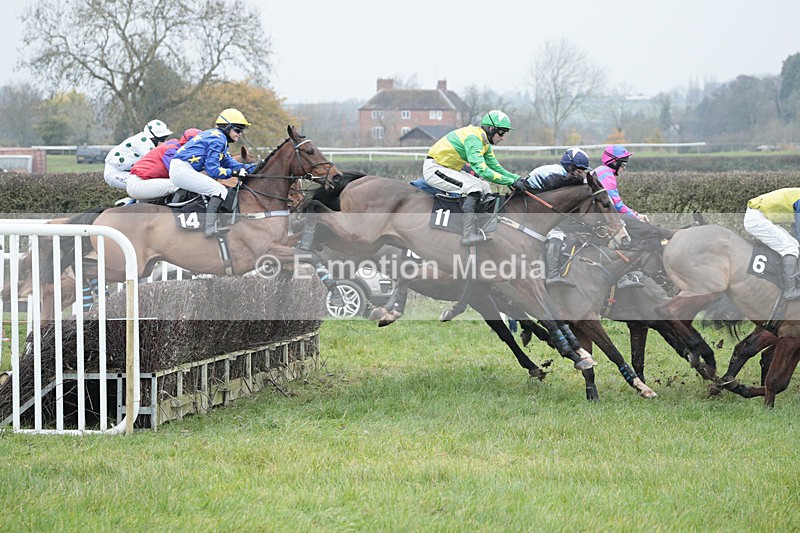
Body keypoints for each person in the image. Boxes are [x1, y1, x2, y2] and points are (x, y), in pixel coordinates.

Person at [423, 110, 526, 245]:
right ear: (490, 128)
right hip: (435, 168)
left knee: (485, 186)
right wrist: (510, 181)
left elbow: (496, 167)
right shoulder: (473, 138)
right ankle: (468, 234)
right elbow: (482, 170)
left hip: (448, 168)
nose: (503, 137)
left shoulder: (483, 142)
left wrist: (516, 178)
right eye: (501, 132)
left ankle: (484, 225)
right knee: (475, 186)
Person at [169, 108, 256, 237]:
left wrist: (254, 168)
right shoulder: (218, 139)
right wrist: (234, 172)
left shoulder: (219, 137)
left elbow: (229, 162)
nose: (240, 134)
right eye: (237, 130)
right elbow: (213, 170)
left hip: (182, 169)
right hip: (182, 169)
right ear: (227, 127)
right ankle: (210, 228)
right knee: (220, 190)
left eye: (241, 130)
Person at [525, 148, 591, 286]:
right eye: (579, 171)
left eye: (584, 171)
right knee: (557, 233)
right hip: (528, 202)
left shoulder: (564, 173)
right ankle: (552, 274)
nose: (582, 175)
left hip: (536, 199)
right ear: (570, 167)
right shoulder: (556, 176)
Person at [595, 145, 648, 288]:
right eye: (623, 163)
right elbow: (617, 206)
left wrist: (635, 214)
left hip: (598, 216)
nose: (624, 167)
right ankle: (625, 276)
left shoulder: (602, 171)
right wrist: (637, 217)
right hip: (600, 219)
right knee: (631, 237)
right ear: (614, 162)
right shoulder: (606, 174)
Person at [744, 188, 800, 300]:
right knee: (790, 248)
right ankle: (790, 290)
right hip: (757, 219)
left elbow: (796, 229)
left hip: (758, 216)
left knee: (794, 244)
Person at [126, 128, 202, 201]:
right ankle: (176, 213)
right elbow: (180, 174)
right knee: (182, 184)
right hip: (138, 184)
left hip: (146, 182)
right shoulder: (172, 150)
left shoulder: (177, 147)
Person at [104, 119, 173, 192]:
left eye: (166, 138)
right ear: (152, 138)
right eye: (162, 139)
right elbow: (159, 160)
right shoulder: (144, 143)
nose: (164, 142)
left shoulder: (146, 140)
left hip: (124, 170)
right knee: (143, 185)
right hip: (114, 173)